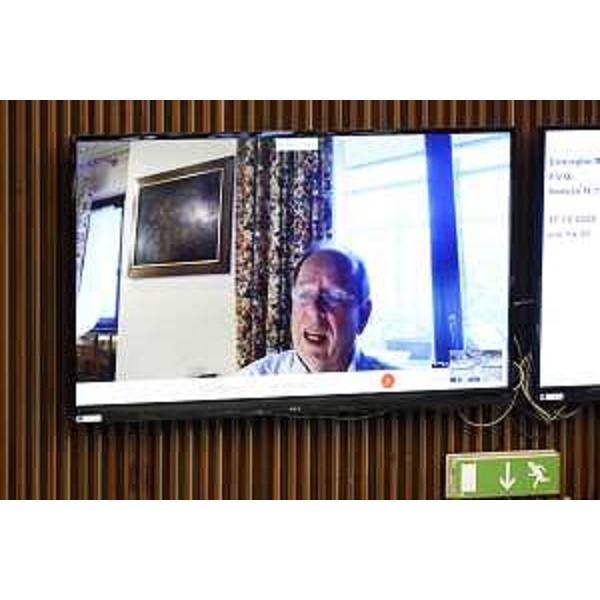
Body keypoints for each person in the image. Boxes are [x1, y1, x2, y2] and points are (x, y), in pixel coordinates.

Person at [239, 243, 396, 375]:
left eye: (333, 297)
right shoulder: (249, 385)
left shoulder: (397, 388)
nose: (314, 311)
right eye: (305, 294)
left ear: (363, 316)